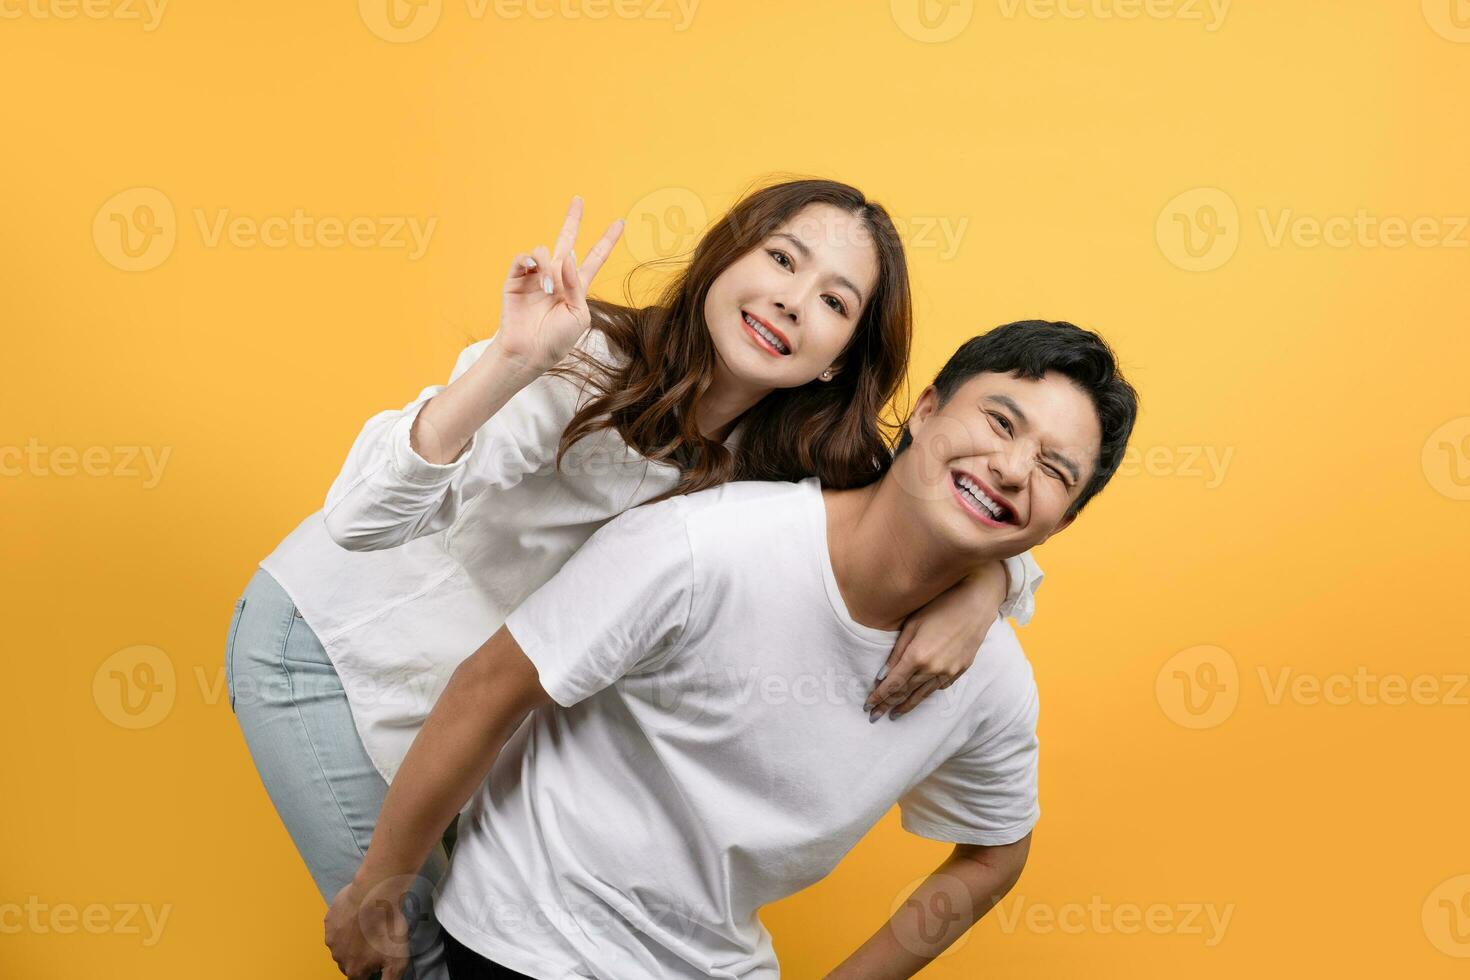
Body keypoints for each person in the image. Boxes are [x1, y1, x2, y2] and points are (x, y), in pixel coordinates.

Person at [225, 180, 1044, 979]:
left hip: (480, 708)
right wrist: (508, 365)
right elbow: (360, 519)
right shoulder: (578, 359)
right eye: (783, 259)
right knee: (401, 938)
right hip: (329, 649)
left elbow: (964, 510)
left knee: (459, 928)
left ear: (841, 361)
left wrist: (986, 588)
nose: (794, 301)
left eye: (836, 302)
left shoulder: (803, 465)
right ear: (724, 259)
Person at [323, 319, 1139, 980]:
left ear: (1062, 522)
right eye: (1000, 421)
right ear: (925, 410)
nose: (1009, 467)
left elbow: (997, 853)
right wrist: (376, 894)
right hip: (530, 942)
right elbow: (491, 688)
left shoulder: (988, 676)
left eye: (1055, 470)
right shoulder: (709, 544)